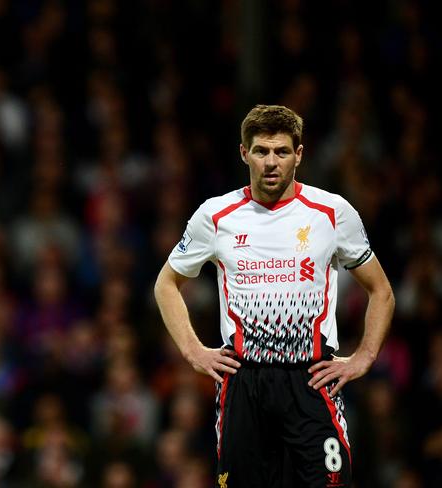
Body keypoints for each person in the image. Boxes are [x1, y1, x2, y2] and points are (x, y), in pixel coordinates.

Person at [154, 105, 395, 487]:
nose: (271, 162)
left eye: (281, 151)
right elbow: (166, 284)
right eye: (261, 151)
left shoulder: (332, 213)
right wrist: (193, 350)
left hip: (312, 380)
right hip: (244, 381)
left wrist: (364, 356)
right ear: (243, 152)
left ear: (299, 154)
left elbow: (381, 290)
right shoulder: (216, 216)